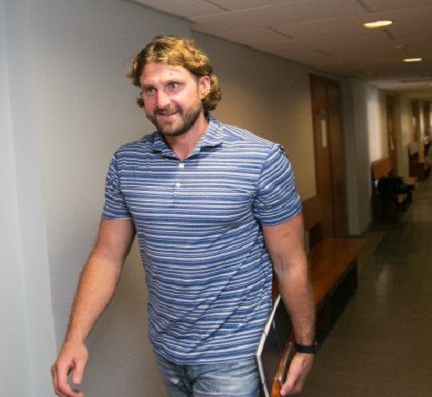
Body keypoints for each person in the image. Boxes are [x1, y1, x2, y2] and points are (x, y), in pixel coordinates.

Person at [51, 35, 315, 397]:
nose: (161, 101)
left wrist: (305, 346)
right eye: (150, 90)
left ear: (204, 86)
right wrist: (74, 339)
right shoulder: (127, 163)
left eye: (173, 85)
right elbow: (107, 257)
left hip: (234, 355)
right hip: (167, 351)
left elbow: (289, 262)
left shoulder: (260, 159)